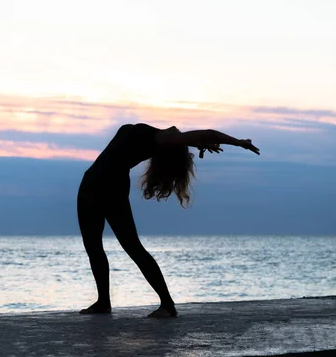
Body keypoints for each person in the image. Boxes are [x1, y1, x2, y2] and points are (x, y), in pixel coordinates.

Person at [77, 123, 260, 318]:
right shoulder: (159, 137)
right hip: (96, 184)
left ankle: (167, 304)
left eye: (180, 137)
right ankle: (104, 302)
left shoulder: (162, 138)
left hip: (106, 186)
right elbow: (202, 136)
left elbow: (208, 133)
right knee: (95, 247)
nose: (176, 128)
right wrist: (200, 142)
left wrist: (238, 142)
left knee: (131, 247)